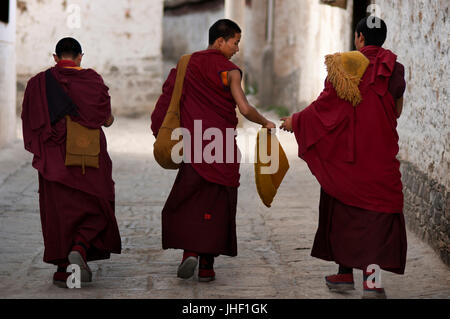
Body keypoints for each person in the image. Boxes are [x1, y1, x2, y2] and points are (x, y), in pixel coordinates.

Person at [280, 17, 407, 299]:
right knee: (378, 220)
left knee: (343, 210)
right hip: (380, 157)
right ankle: (369, 282)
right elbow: (396, 111)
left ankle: (344, 273)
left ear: (359, 38)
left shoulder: (344, 65)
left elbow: (325, 106)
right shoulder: (395, 69)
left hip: (348, 158)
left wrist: (295, 121)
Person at [151, 19, 276, 282]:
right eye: (235, 42)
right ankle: (207, 266)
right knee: (217, 204)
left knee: (190, 199)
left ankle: (189, 253)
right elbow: (244, 108)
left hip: (196, 144)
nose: (237, 49)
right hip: (221, 147)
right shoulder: (231, 71)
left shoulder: (187, 64)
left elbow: (168, 99)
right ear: (220, 41)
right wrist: (264, 121)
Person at [21, 37, 121, 288]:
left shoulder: (37, 84)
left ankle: (63, 270)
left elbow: (29, 120)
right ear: (80, 57)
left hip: (54, 159)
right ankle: (80, 246)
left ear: (55, 58)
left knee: (60, 212)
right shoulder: (92, 80)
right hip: (88, 156)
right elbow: (105, 119)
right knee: (99, 204)